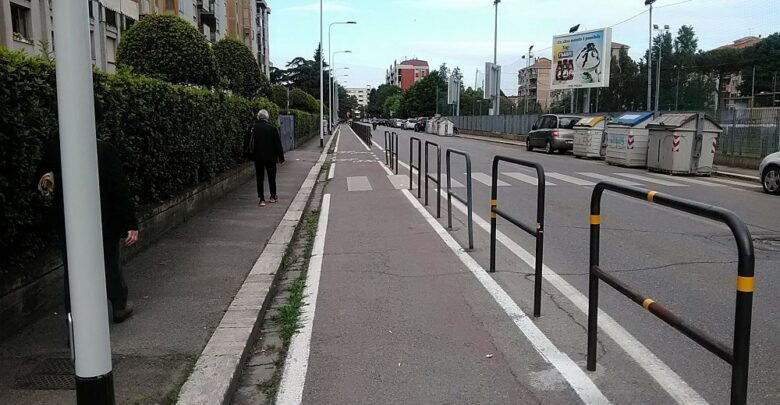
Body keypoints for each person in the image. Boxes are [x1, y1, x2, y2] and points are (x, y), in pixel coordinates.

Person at [37, 138, 139, 323]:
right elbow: (119, 188)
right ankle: (118, 305)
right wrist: (130, 223)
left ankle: (74, 319)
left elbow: (43, 182)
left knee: (72, 269)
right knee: (109, 262)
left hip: (68, 220)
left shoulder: (54, 149)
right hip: (104, 219)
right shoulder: (104, 150)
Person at [246, 109, 285, 207]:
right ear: (267, 117)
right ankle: (272, 196)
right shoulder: (272, 128)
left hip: (258, 157)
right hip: (271, 157)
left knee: (260, 177)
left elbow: (247, 142)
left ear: (258, 117)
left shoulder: (253, 128)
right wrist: (281, 157)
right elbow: (278, 144)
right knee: (272, 177)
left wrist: (248, 156)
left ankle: (262, 199)